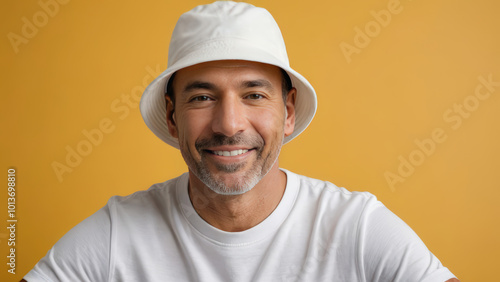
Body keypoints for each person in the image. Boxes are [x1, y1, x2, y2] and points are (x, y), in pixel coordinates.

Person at [23, 1, 459, 281]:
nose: (229, 124)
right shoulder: (120, 234)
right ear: (173, 118)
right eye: (202, 96)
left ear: (287, 113)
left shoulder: (355, 227)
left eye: (253, 94)